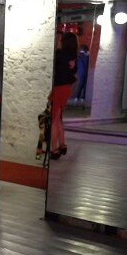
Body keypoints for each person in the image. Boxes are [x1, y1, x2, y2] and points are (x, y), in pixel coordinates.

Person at [50, 32, 78, 160]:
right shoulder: (73, 55)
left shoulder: (59, 54)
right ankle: (62, 145)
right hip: (66, 88)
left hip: (59, 88)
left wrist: (56, 45)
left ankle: (54, 150)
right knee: (59, 118)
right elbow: (74, 71)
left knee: (54, 120)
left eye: (61, 39)